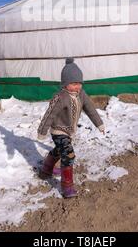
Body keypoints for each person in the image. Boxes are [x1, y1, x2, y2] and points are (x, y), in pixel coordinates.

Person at [37, 57, 105, 198]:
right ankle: (67, 187)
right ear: (65, 83)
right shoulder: (60, 97)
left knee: (59, 150)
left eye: (79, 83)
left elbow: (90, 108)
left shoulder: (81, 94)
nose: (77, 86)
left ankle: (46, 169)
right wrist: (42, 131)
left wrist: (99, 123)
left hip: (69, 131)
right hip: (58, 130)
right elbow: (50, 114)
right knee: (68, 154)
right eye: (73, 84)